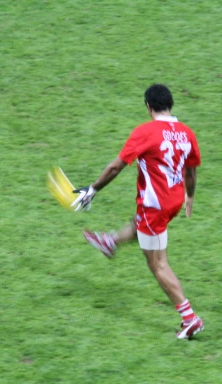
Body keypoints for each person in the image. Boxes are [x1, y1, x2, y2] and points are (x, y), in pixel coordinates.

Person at [71, 84, 204, 339]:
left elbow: (115, 167)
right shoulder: (187, 133)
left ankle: (189, 318)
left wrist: (93, 189)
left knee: (158, 265)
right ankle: (111, 241)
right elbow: (191, 170)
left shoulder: (147, 132)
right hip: (173, 200)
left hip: (156, 203)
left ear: (148, 106)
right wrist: (190, 195)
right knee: (143, 226)